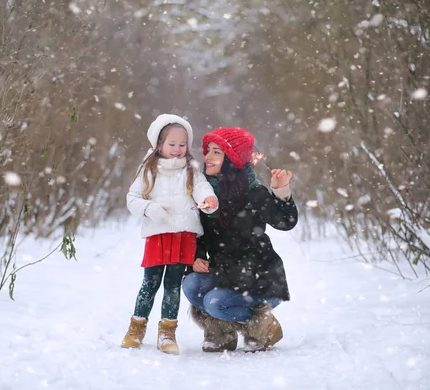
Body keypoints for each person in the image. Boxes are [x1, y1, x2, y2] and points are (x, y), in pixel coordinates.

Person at [182, 127, 298, 353]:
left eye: (216, 152)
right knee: (192, 285)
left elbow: (285, 222)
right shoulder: (205, 194)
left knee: (214, 303)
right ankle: (221, 334)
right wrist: (196, 257)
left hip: (258, 279)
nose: (207, 157)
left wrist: (280, 190)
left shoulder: (253, 192)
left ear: (231, 159)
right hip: (224, 273)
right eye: (208, 151)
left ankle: (264, 325)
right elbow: (202, 234)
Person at [121, 114, 219, 355]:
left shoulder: (191, 169)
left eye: (182, 145)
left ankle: (167, 332)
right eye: (172, 144)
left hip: (183, 234)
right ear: (158, 145)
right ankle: (136, 327)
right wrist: (150, 209)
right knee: (150, 284)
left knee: (173, 286)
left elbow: (202, 189)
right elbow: (132, 199)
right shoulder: (148, 169)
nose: (177, 149)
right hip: (158, 234)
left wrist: (209, 200)